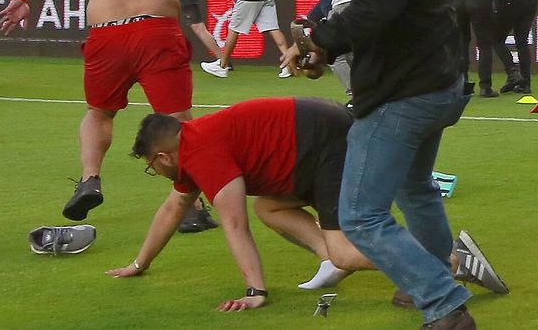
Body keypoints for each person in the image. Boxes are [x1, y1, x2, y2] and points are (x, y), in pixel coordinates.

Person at [281, 0, 476, 328]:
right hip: (434, 82)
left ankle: (442, 301)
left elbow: (374, 10)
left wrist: (318, 39)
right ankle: (431, 278)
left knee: (361, 217)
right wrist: (325, 45)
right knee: (415, 188)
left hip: (403, 92)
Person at [109, 99, 507, 310]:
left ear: (161, 158)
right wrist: (139, 264)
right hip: (312, 144)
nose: (155, 172)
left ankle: (452, 262)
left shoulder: (201, 153)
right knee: (270, 207)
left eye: (150, 168)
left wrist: (256, 290)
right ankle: (331, 257)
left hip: (324, 145)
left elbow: (234, 225)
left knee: (348, 251)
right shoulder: (191, 143)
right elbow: (172, 210)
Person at [0, 0, 209, 223]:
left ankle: (89, 179)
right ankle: (192, 207)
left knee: (99, 112)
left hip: (106, 31)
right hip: (155, 28)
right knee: (177, 120)